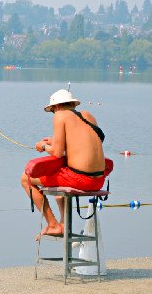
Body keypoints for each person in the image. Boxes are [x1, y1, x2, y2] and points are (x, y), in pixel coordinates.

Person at [20, 89, 107, 239]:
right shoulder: (88, 115)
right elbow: (86, 144)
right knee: (58, 176)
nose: (54, 113)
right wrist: (54, 141)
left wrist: (43, 146)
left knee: (24, 179)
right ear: (72, 104)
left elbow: (57, 153)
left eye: (53, 110)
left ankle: (53, 225)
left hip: (80, 180)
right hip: (99, 180)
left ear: (57, 107)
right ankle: (63, 222)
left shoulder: (60, 115)